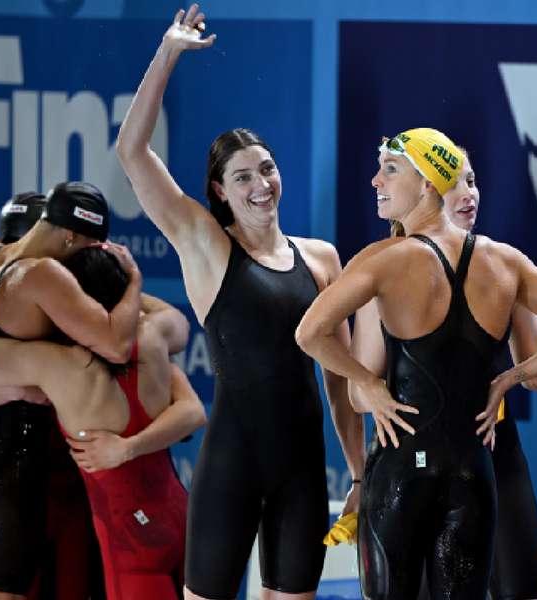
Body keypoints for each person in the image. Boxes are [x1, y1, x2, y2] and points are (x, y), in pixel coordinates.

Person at [114, 6, 365, 598]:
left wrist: (358, 471)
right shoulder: (206, 246)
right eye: (243, 177)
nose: (262, 185)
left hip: (302, 469)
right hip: (232, 463)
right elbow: (132, 153)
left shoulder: (322, 259)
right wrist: (168, 53)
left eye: (268, 170)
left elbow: (341, 380)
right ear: (220, 194)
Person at [296, 127, 537, 598]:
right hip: (472, 473)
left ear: (427, 184)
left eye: (390, 170)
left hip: (400, 473)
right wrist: (509, 380)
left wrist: (367, 384)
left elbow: (309, 333)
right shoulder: (505, 262)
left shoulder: (381, 260)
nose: (376, 181)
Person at [350, 150, 537, 600]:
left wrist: (524, 375)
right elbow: (358, 390)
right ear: (427, 189)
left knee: (525, 589)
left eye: (474, 181)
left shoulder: (501, 265)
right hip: (413, 460)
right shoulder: (380, 269)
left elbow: (535, 364)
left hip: (490, 451)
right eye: (456, 183)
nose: (469, 195)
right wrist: (378, 395)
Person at [0, 246, 206, 600]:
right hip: (181, 519)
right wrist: (132, 280)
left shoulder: (57, 365)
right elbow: (177, 328)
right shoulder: (153, 337)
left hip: (131, 546)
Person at [0, 182, 141, 600]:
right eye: (92, 247)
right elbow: (115, 343)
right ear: (71, 236)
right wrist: (132, 282)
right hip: (15, 453)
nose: (91, 259)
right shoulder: (43, 275)